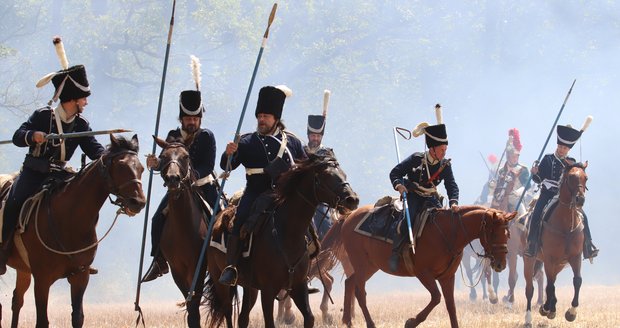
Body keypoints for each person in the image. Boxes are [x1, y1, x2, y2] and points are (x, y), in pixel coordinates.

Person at [0, 37, 105, 275]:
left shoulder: (82, 125)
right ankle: (3, 248)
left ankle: (80, 255)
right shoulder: (43, 115)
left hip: (61, 177)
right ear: (72, 98)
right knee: (13, 202)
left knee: (83, 206)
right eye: (83, 98)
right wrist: (34, 135)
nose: (86, 102)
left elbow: (95, 150)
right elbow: (18, 136)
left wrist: (111, 156)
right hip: (33, 173)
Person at [218, 85, 306, 286]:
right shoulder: (246, 140)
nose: (261, 119)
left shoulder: (292, 142)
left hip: (284, 195)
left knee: (305, 225)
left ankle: (305, 267)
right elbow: (226, 166)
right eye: (259, 115)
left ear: (276, 118)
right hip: (255, 192)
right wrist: (229, 153)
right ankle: (232, 267)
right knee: (239, 220)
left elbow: (304, 166)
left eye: (266, 116)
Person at [142, 56, 218, 282]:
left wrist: (191, 177)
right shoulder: (173, 137)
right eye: (187, 118)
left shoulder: (207, 136)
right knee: (157, 219)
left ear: (200, 118)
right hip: (177, 190)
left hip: (203, 187)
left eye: (195, 117)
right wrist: (156, 165)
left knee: (221, 219)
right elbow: (166, 166)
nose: (191, 121)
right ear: (181, 118)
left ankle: (225, 261)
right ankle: (158, 260)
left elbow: (208, 165)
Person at [388, 104, 459, 272]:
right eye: (441, 149)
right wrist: (399, 185)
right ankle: (396, 253)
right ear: (432, 148)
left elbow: (451, 185)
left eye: (445, 149)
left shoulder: (445, 165)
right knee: (407, 221)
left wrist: (454, 201)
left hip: (432, 198)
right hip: (414, 196)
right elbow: (395, 173)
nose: (444, 153)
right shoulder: (416, 159)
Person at [524, 117, 598, 260]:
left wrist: (578, 166)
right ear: (557, 146)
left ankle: (588, 246)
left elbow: (578, 177)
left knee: (584, 217)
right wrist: (534, 174)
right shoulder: (547, 159)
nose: (562, 150)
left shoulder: (572, 163)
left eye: (565, 148)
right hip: (547, 194)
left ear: (568, 149)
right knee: (536, 214)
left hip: (565, 196)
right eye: (560, 147)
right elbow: (539, 179)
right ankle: (532, 244)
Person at [490, 128, 529, 213]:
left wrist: (518, 192)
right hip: (500, 197)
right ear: (508, 156)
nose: (515, 158)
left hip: (515, 198)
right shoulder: (501, 170)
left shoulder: (523, 169)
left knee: (522, 216)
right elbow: (498, 185)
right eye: (513, 156)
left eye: (516, 156)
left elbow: (527, 185)